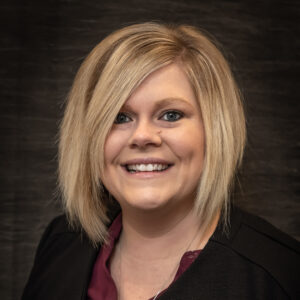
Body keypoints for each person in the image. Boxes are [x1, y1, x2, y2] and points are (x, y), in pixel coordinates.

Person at [22, 22, 299, 300]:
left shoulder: (279, 276)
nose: (142, 137)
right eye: (120, 117)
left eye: (171, 115)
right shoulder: (60, 244)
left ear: (214, 129)